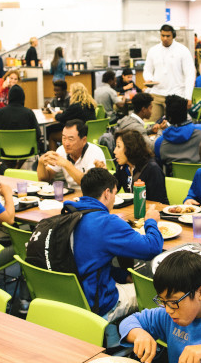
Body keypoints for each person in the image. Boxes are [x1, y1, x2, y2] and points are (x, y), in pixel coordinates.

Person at [67, 168, 164, 320]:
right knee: (155, 293)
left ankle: (110, 335)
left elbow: (91, 262)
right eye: (114, 193)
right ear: (107, 193)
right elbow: (152, 247)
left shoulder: (69, 213)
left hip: (71, 297)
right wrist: (151, 220)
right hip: (99, 304)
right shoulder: (106, 222)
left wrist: (124, 276)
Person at [143, 24, 195, 121]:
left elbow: (190, 75)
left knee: (175, 126)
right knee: (150, 124)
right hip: (156, 94)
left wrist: (188, 96)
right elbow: (147, 70)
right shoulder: (153, 50)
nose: (165, 38)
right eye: (163, 35)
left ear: (173, 36)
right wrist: (148, 79)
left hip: (177, 95)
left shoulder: (183, 51)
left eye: (168, 36)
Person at [154, 95, 201, 168]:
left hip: (175, 179)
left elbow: (160, 161)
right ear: (186, 113)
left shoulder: (159, 142)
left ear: (167, 117)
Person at [37, 120, 106, 187]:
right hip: (72, 195)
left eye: (70, 139)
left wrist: (66, 164)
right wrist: (41, 163)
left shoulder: (95, 152)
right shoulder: (61, 150)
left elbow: (88, 185)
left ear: (84, 140)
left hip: (91, 196)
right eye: (64, 138)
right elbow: (45, 180)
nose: (66, 143)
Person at [115, 130, 168, 203]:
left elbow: (158, 203)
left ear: (130, 148)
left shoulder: (152, 169)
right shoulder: (123, 167)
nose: (114, 151)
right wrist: (104, 174)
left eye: (118, 146)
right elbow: (112, 190)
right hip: (131, 211)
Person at [0, 86, 39, 164]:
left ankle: (11, 169)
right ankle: (17, 167)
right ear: (23, 97)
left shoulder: (0, 113)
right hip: (27, 150)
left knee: (8, 156)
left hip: (4, 151)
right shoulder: (29, 113)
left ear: (9, 97)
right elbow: (38, 134)